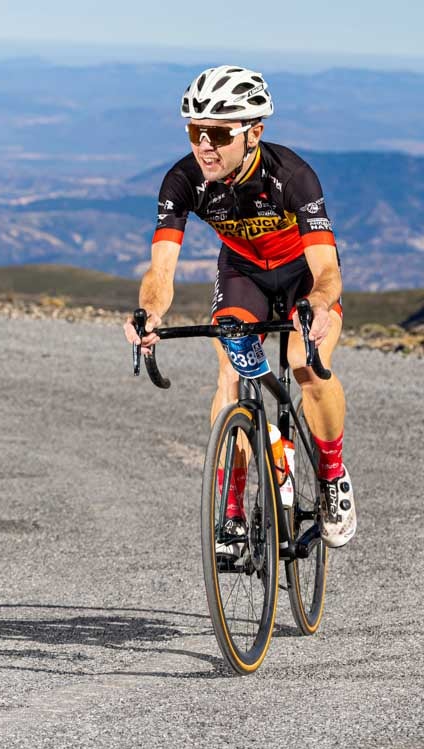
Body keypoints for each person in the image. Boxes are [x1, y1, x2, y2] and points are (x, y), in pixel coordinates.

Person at [124, 64, 356, 547]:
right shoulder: (182, 180)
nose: (203, 145)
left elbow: (328, 271)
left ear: (254, 133)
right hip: (243, 274)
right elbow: (160, 271)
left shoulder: (293, 176)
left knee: (305, 365)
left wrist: (314, 304)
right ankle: (230, 511)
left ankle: (332, 475)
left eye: (217, 133)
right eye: (194, 131)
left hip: (303, 278)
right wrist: (149, 313)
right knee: (231, 371)